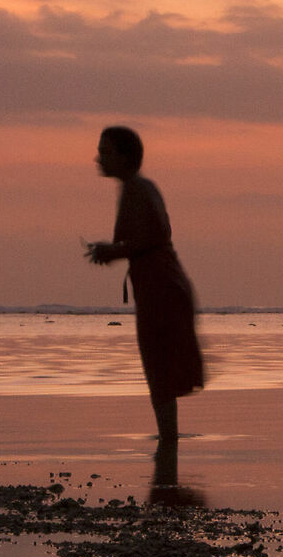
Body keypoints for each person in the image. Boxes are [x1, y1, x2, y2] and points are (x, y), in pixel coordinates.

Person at [84, 125, 204, 448]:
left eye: (105, 152)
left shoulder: (138, 188)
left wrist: (112, 251)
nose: (99, 158)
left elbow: (151, 236)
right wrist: (113, 251)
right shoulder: (137, 188)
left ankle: (168, 446)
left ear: (124, 157)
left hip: (160, 285)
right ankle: (168, 442)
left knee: (159, 368)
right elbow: (146, 238)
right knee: (159, 368)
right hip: (159, 282)